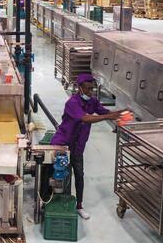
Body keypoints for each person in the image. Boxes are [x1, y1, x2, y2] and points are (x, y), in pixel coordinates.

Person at [50, 73, 127, 220]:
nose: (90, 92)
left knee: (79, 174)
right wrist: (108, 117)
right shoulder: (72, 103)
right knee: (58, 173)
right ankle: (51, 200)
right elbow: (86, 118)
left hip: (78, 145)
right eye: (87, 89)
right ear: (79, 88)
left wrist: (120, 113)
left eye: (92, 89)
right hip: (63, 143)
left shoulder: (92, 101)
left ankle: (79, 205)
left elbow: (105, 112)